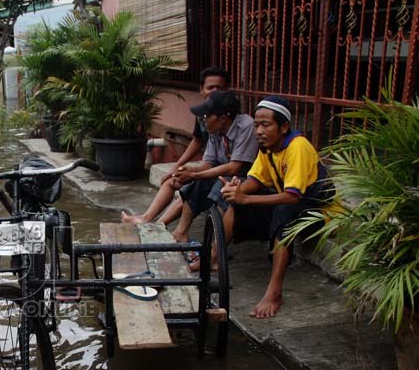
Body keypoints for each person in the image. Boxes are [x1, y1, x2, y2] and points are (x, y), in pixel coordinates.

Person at [213, 96, 336, 318]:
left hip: (322, 214)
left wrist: (246, 199)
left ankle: (275, 291)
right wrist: (237, 190)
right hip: (296, 207)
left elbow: (291, 198)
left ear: (284, 126)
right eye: (257, 125)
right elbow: (257, 180)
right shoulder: (268, 147)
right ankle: (212, 257)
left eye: (266, 125)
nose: (259, 131)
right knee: (235, 204)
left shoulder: (298, 147)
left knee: (283, 211)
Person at [122, 66, 230, 226]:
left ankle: (160, 227)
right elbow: (198, 140)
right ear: (201, 89)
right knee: (173, 178)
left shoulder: (229, 116)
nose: (214, 91)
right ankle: (147, 219)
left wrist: (194, 173)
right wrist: (178, 166)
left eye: (219, 88)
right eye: (210, 87)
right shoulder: (203, 114)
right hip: (212, 164)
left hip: (226, 171)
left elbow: (235, 165)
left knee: (191, 188)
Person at [168, 90, 259, 247]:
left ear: (223, 118)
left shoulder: (247, 126)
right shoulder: (215, 129)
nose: (203, 120)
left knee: (221, 188)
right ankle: (180, 232)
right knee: (197, 183)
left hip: (247, 177)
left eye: (207, 116)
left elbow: (234, 167)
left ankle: (215, 251)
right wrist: (191, 170)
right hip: (226, 174)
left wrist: (197, 174)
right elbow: (209, 163)